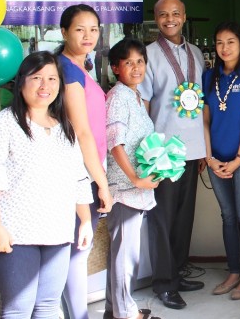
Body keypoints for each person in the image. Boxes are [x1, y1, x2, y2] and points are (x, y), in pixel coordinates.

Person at [0, 52, 94, 318]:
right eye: (36, 78)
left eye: (51, 78)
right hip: (14, 236)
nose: (44, 86)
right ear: (20, 82)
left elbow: (77, 177)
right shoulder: (0, 126)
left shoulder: (64, 128)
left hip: (57, 232)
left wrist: (83, 221)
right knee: (17, 310)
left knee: (47, 307)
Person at [137, 0, 206, 309]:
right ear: (156, 18)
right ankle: (163, 283)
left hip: (192, 149)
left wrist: (204, 148)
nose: (170, 19)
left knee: (183, 217)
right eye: (163, 15)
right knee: (162, 219)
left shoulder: (196, 53)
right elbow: (144, 104)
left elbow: (201, 101)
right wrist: (147, 151)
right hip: (163, 150)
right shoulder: (147, 55)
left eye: (175, 13)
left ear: (184, 16)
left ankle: (177, 273)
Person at [57, 4, 113, 319]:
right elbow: (82, 132)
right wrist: (102, 185)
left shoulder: (80, 67)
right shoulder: (66, 70)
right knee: (78, 252)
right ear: (64, 32)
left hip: (89, 171)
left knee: (78, 250)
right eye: (80, 29)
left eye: (94, 29)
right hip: (79, 175)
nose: (88, 35)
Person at [201, 22, 240, 301]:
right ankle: (233, 271)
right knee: (227, 216)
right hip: (216, 159)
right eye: (219, 42)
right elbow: (203, 120)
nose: (224, 48)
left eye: (231, 42)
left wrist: (239, 159)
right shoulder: (208, 76)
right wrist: (208, 157)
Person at [104, 38, 160, 319]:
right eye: (129, 62)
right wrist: (136, 179)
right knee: (125, 258)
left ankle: (115, 310)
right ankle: (125, 314)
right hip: (125, 189)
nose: (136, 67)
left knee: (122, 256)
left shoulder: (135, 96)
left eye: (140, 61)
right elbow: (116, 143)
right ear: (115, 67)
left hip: (136, 187)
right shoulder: (118, 97)